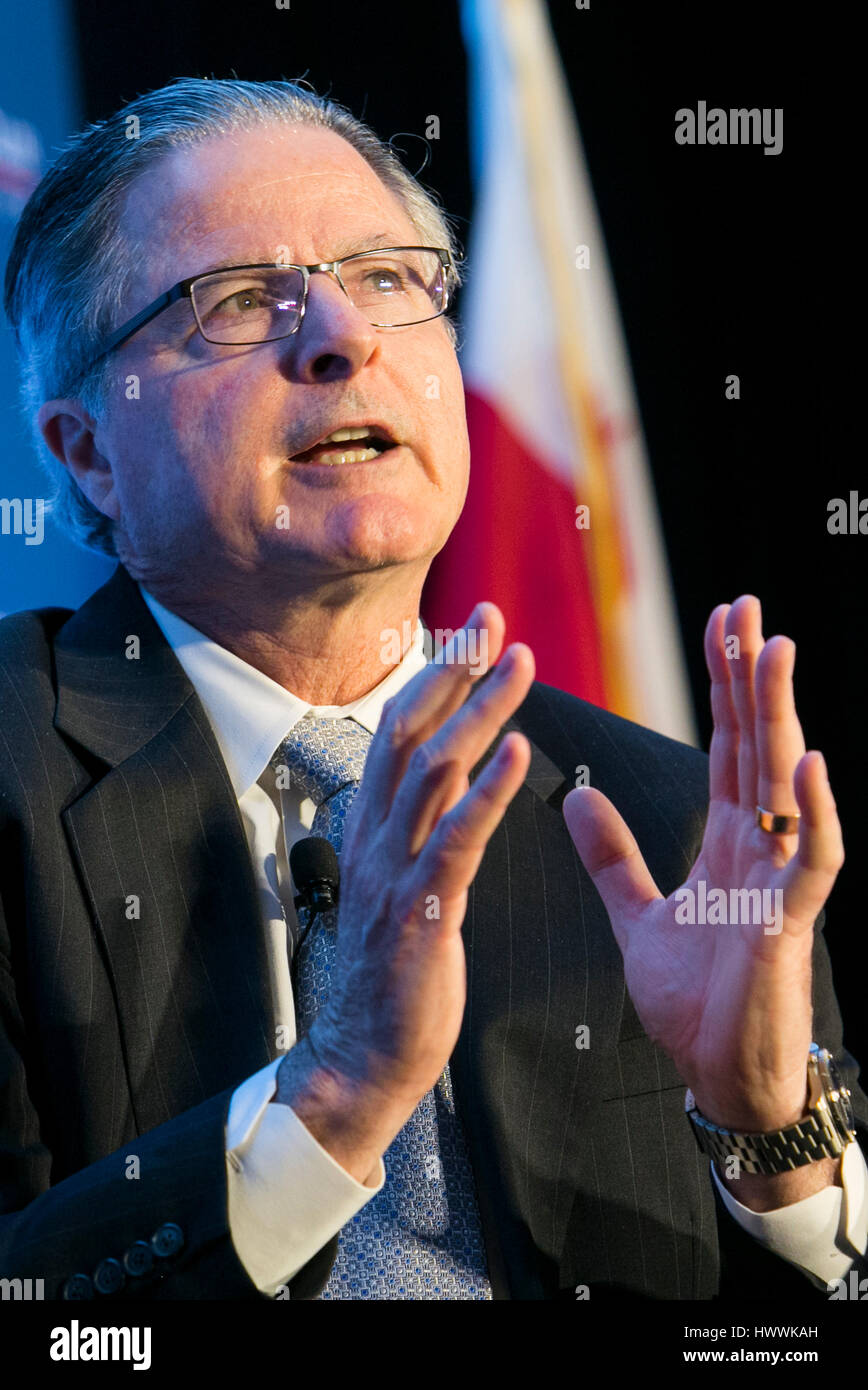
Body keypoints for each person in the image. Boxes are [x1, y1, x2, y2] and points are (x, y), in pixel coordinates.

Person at [0, 76, 865, 1302]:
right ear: (85, 451)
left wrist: (765, 1131)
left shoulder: (661, 818)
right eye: (241, 299)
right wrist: (336, 1096)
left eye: (389, 279)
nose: (341, 335)